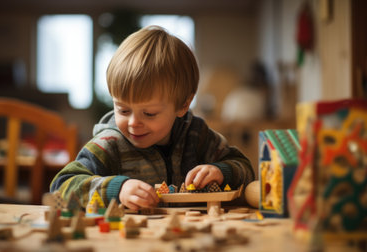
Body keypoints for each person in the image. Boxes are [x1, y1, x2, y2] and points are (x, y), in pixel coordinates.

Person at [50, 25, 254, 210]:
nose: (133, 123)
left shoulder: (197, 135)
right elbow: (60, 187)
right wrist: (116, 189)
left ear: (183, 105)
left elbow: (246, 170)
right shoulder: (109, 145)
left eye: (149, 113)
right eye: (123, 110)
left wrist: (222, 172)